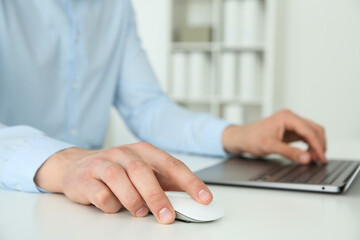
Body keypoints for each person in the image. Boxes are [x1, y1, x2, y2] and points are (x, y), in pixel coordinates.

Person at [0, 0, 326, 224]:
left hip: (97, 205)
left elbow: (147, 108)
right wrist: (63, 161)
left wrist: (237, 135)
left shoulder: (115, 7)